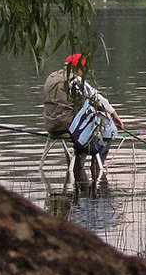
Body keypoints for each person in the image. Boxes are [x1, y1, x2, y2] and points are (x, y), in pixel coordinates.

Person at [42, 53, 125, 182]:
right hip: (68, 126)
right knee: (107, 131)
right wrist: (114, 115)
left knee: (84, 125)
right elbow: (97, 98)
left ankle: (78, 173)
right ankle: (96, 169)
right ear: (78, 67)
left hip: (51, 126)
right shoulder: (74, 81)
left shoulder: (52, 78)